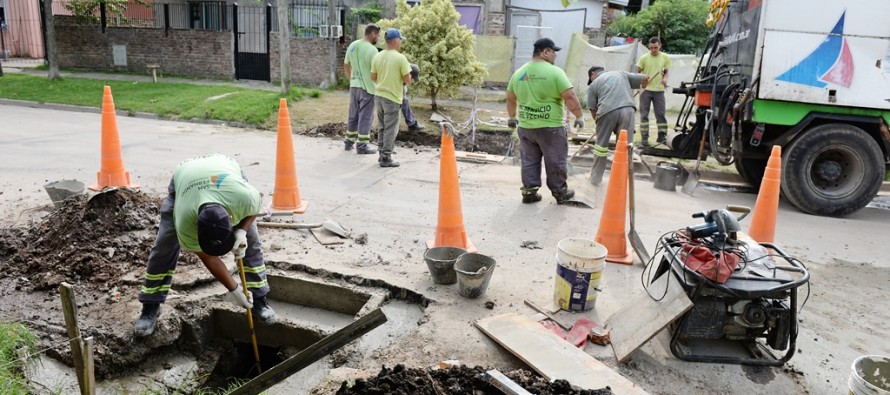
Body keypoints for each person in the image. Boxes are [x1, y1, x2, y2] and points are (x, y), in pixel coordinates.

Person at [134, 154, 277, 337]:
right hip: (184, 181)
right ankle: (151, 305)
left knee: (252, 243)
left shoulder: (243, 197)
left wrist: (242, 231)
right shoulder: (185, 221)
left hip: (225, 174)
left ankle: (259, 299)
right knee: (164, 246)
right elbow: (208, 257)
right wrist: (235, 289)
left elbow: (255, 206)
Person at [506, 37, 584, 204]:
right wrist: (579, 116)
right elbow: (569, 96)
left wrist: (512, 117)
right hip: (551, 128)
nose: (555, 56)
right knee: (555, 159)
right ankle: (560, 192)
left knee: (529, 160)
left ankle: (529, 193)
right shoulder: (555, 72)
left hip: (526, 127)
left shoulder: (519, 73)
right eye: (554, 52)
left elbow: (510, 98)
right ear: (545, 52)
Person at [586, 66, 648, 186]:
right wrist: (643, 87)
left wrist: (602, 126)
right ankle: (622, 180)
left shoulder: (593, 85)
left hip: (606, 111)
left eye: (590, 78)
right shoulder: (621, 73)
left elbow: (593, 111)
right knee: (626, 147)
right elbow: (645, 78)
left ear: (593, 74)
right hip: (628, 110)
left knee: (601, 148)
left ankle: (595, 178)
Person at [371, 28, 413, 168]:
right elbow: (407, 80)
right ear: (395, 40)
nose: (400, 42)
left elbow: (373, 77)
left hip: (379, 96)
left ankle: (381, 152)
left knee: (382, 126)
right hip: (393, 98)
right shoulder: (401, 58)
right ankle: (386, 157)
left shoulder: (378, 56)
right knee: (391, 128)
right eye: (400, 39)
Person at [343, 24, 381, 154]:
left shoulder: (353, 45)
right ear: (372, 34)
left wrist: (351, 80)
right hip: (368, 88)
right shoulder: (373, 51)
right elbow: (375, 72)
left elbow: (346, 64)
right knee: (366, 116)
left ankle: (348, 141)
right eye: (378, 35)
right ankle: (362, 146)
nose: (378, 38)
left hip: (354, 86)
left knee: (353, 114)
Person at [636, 37, 672, 146]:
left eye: (656, 47)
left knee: (660, 114)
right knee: (644, 115)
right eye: (651, 48)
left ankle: (661, 136)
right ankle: (644, 138)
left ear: (660, 46)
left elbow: (666, 72)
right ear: (649, 47)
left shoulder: (665, 57)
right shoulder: (643, 58)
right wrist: (643, 78)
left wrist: (665, 79)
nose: (653, 50)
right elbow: (637, 73)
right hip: (646, 90)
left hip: (659, 91)